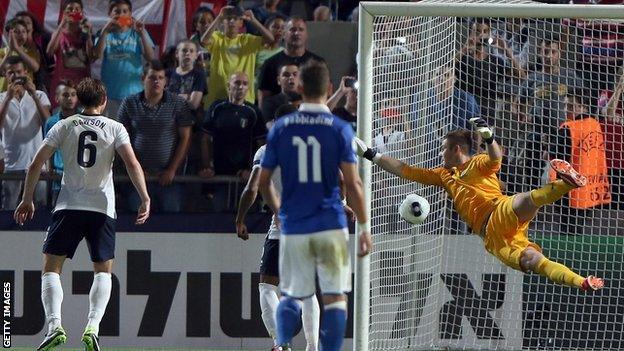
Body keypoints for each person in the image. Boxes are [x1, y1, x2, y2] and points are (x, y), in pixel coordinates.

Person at [353, 117, 604, 291]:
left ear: (457, 150)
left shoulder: (478, 163)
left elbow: (496, 157)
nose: (441, 154)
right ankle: (581, 281)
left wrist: (489, 137)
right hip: (495, 239)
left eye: (444, 149)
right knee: (533, 261)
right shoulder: (443, 175)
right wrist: (371, 155)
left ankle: (567, 184)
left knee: (526, 199)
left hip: (498, 211)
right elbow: (406, 170)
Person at [13, 77, 150, 351]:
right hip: (102, 208)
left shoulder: (64, 126)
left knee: (51, 269)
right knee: (103, 272)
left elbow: (35, 165)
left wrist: (28, 199)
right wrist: (145, 197)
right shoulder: (115, 127)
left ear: (78, 101)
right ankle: (93, 328)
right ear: (103, 101)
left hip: (68, 206)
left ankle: (54, 326)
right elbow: (132, 163)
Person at [258, 60, 372, 351]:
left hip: (295, 224)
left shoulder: (282, 128)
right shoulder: (340, 129)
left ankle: (282, 343)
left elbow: (263, 181)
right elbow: (353, 183)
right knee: (334, 297)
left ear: (301, 87)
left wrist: (279, 210)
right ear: (328, 89)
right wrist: (363, 226)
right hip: (330, 224)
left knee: (293, 292)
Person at [235, 103, 320, 351]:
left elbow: (252, 188)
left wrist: (240, 218)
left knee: (267, 286)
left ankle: (280, 344)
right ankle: (313, 346)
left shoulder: (267, 150)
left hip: (283, 225)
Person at [119, 59, 194, 213]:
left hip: (169, 179)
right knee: (136, 215)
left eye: (160, 78)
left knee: (172, 214)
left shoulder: (178, 103)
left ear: (165, 81)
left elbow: (185, 138)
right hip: (137, 178)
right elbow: (120, 140)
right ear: (143, 79)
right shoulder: (129, 103)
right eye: (152, 77)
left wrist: (172, 169)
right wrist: (136, 169)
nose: (157, 82)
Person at [200, 72, 266, 211]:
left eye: (244, 84)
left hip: (245, 177)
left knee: (247, 219)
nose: (240, 87)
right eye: (237, 83)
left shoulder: (253, 112)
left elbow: (261, 146)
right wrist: (207, 166)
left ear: (248, 88)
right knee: (218, 220)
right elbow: (205, 139)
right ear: (228, 85)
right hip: (219, 175)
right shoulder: (217, 108)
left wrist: (253, 170)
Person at [0, 56, 50, 210]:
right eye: (11, 73)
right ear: (5, 75)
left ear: (26, 73)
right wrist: (8, 99)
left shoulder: (40, 95)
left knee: (39, 207)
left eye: (18, 72)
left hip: (36, 163)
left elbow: (47, 123)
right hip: (11, 163)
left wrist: (34, 95)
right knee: (9, 207)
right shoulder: (1, 98)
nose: (15, 76)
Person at [200, 3, 274, 107]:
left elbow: (270, 40)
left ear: (241, 23)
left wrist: (253, 20)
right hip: (217, 98)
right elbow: (204, 40)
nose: (231, 21)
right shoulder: (217, 38)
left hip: (244, 99)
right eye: (228, 18)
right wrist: (219, 17)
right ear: (222, 22)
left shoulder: (248, 40)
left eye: (235, 19)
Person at [93, 0, 156, 119]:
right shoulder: (104, 33)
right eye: (117, 11)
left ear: (130, 14)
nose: (121, 15)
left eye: (125, 11)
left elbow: (150, 57)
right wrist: (105, 31)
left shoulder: (138, 33)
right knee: (114, 132)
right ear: (109, 13)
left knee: (134, 132)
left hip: (134, 93)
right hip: (110, 94)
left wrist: (142, 33)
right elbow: (97, 56)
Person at [257, 17, 324, 106]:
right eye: (292, 30)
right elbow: (263, 99)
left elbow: (326, 94)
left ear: (307, 34)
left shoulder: (318, 63)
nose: (297, 33)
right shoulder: (270, 63)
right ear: (284, 34)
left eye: (301, 30)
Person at [46, 0, 93, 99]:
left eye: (77, 9)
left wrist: (87, 33)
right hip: (62, 86)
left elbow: (92, 57)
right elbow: (49, 52)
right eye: (70, 9)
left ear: (82, 13)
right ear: (64, 13)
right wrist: (61, 25)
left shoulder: (85, 32)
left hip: (82, 86)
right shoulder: (59, 33)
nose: (73, 12)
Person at [44, 80, 80, 203]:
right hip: (59, 177)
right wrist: (49, 168)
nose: (70, 98)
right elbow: (48, 149)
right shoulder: (51, 122)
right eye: (65, 95)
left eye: (73, 94)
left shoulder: (85, 120)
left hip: (80, 178)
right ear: (57, 98)